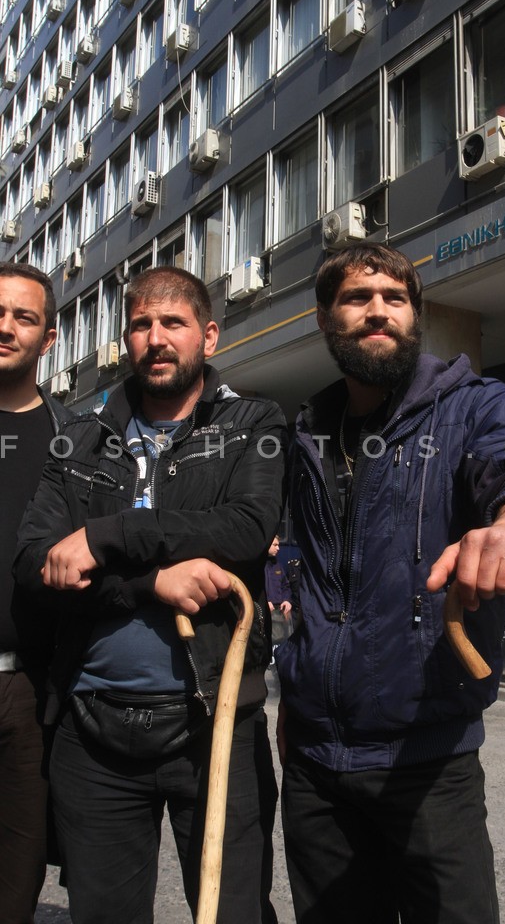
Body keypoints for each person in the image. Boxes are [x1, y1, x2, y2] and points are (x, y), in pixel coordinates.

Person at [275, 243, 505, 924]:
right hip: (316, 766)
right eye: (356, 298)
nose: (378, 310)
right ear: (324, 319)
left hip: (428, 762)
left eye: (395, 298)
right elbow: (304, 563)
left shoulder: (472, 405)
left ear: (415, 315)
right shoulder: (307, 433)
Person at [14, 266, 287, 924]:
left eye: (174, 323)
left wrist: (109, 535)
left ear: (209, 335)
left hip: (217, 723)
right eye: (141, 324)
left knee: (234, 912)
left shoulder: (254, 423)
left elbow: (245, 529)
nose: (156, 338)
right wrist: (151, 579)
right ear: (125, 340)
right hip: (91, 731)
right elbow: (33, 562)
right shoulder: (77, 439)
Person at [0, 262, 68, 924]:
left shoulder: (72, 439)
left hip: (29, 692)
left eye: (24, 316)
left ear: (48, 340)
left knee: (16, 879)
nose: (6, 326)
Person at [264, 535, 293, 660]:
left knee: (280, 643)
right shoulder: (258, 567)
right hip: (265, 613)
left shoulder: (278, 566)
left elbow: (286, 586)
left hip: (279, 612)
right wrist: (265, 602)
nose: (278, 548)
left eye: (279, 545)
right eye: (275, 545)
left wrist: (287, 600)